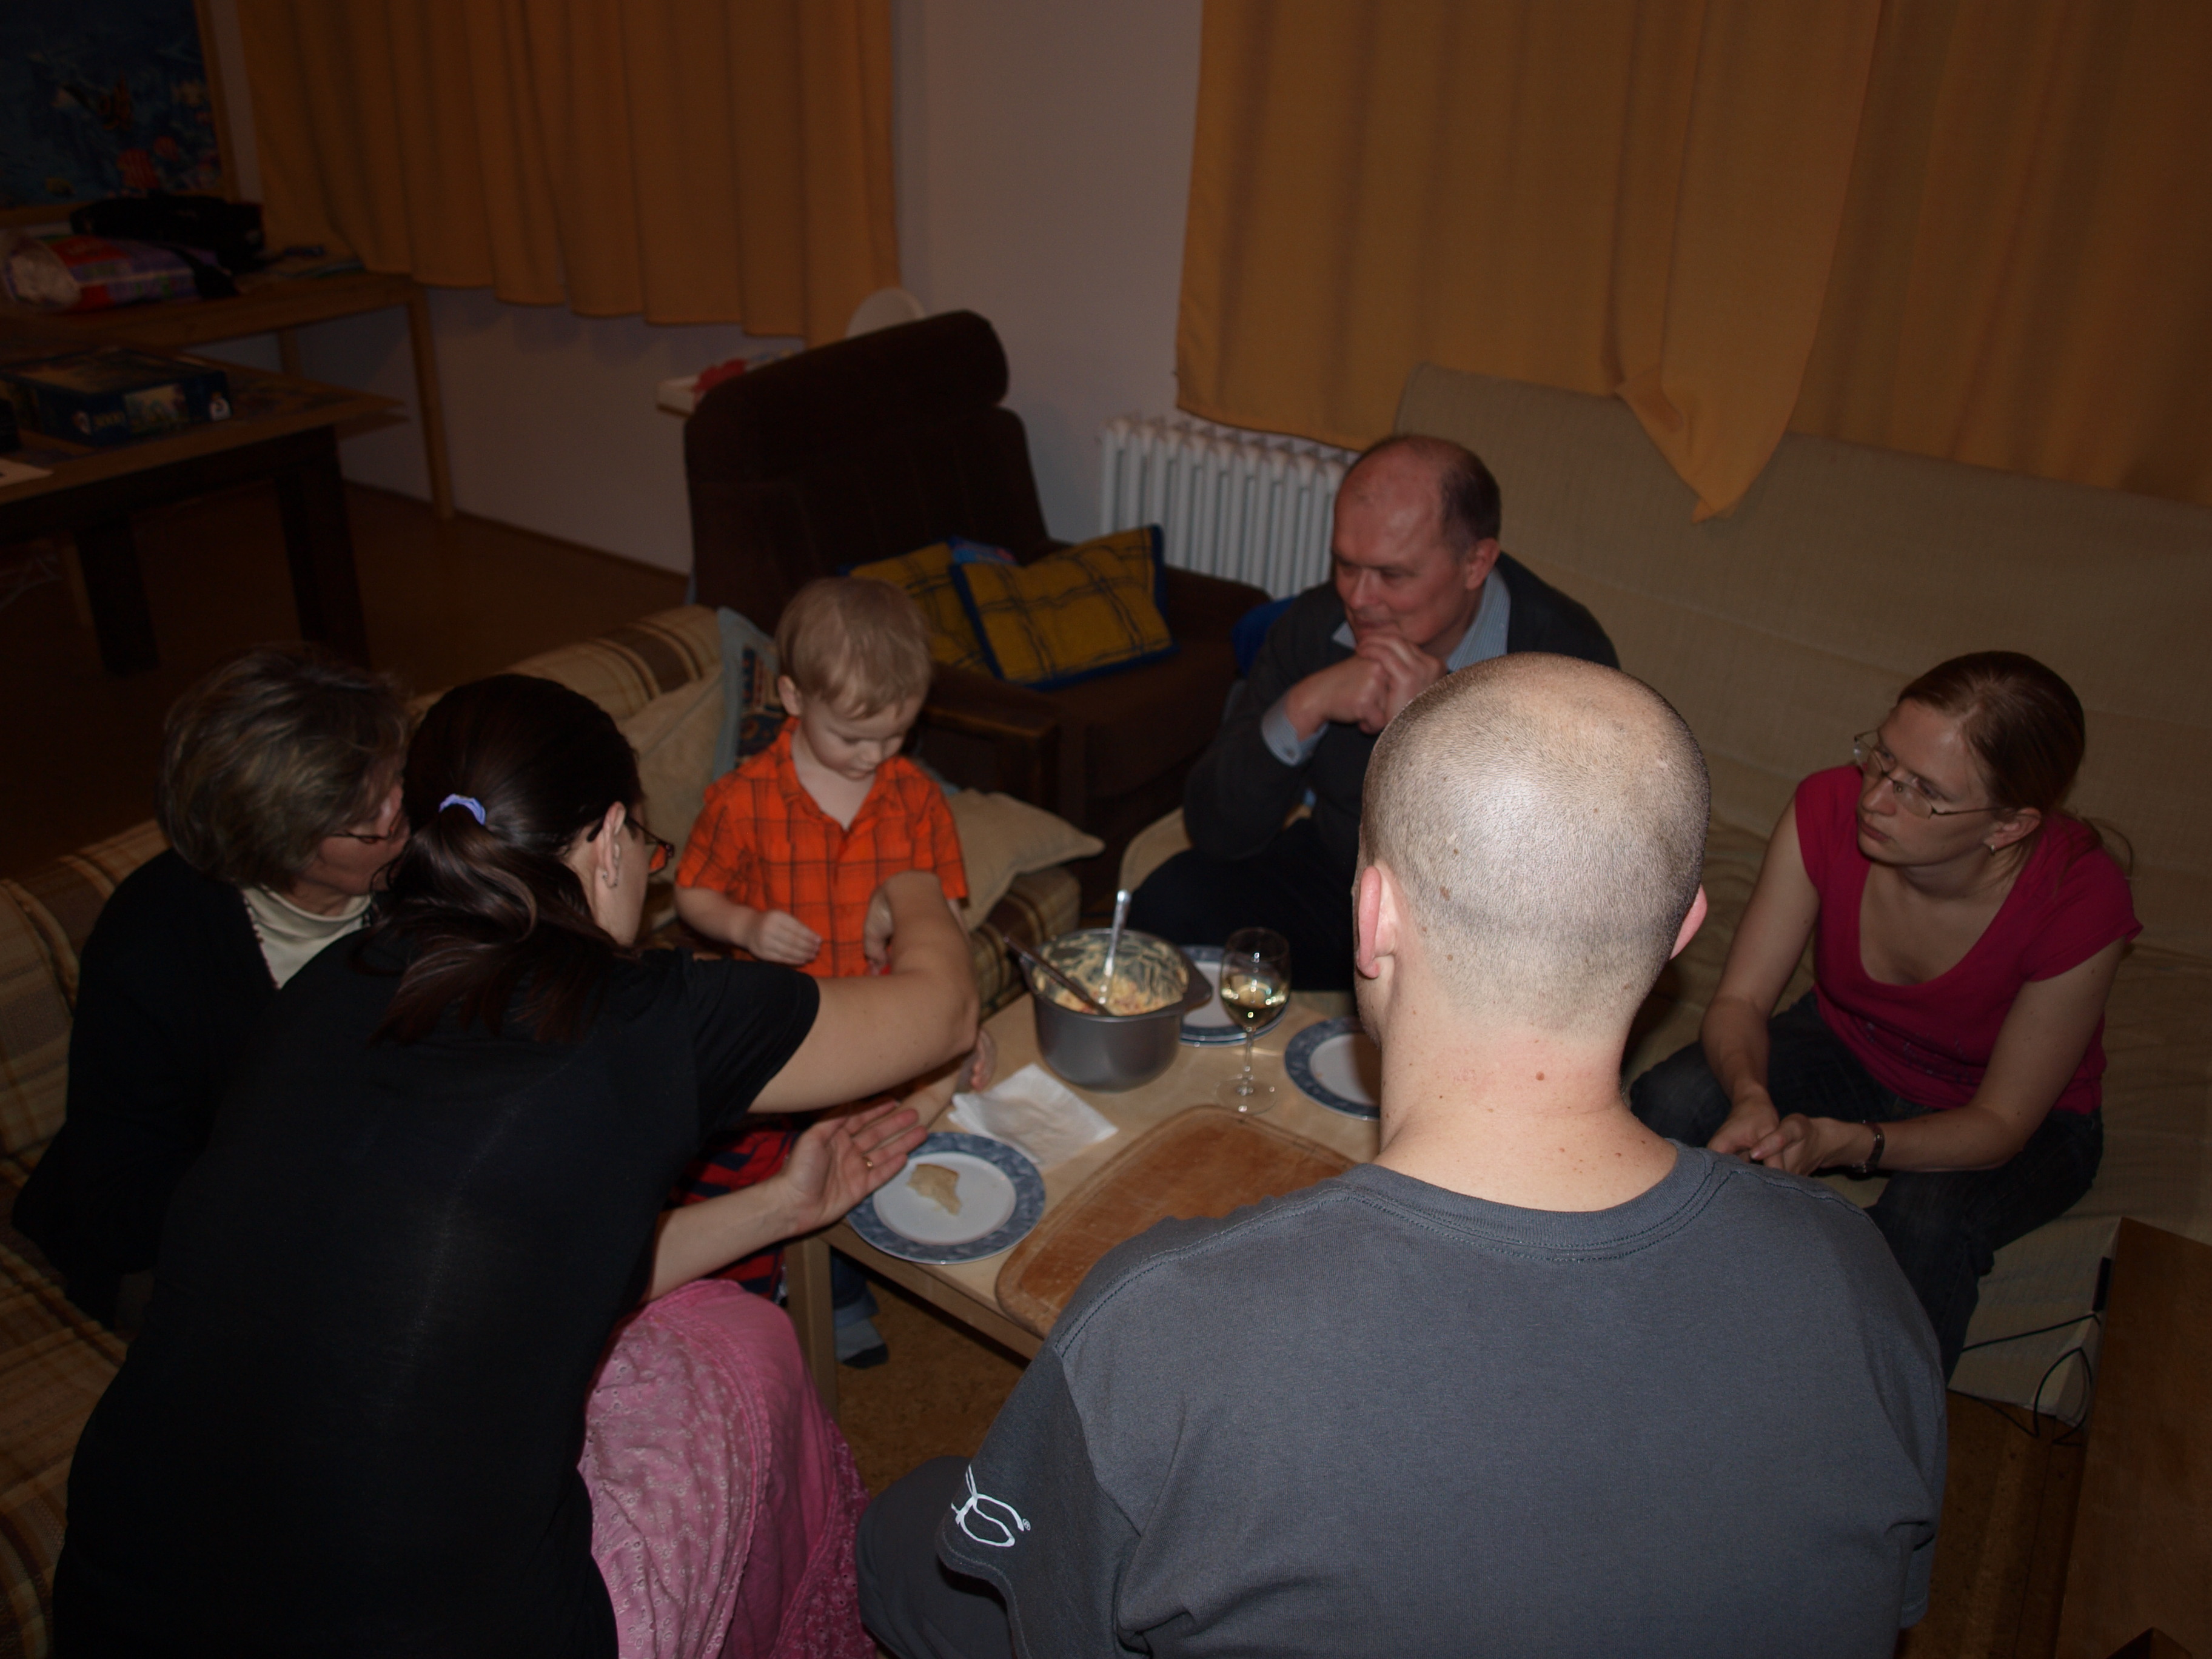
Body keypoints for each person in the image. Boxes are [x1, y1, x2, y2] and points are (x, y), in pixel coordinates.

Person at [859, 655, 1946, 1658]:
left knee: (906, 1532)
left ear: (1372, 915)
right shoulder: (1857, 1278)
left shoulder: (1157, 1326)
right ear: (1681, 930)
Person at [53, 672, 980, 1657]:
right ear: (609, 839)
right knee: (751, 1351)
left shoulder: (326, 985)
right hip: (425, 1631)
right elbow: (945, 1011)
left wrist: (780, 1206)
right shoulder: (646, 1021)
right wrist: (910, 879)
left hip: (121, 1599)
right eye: (647, 848)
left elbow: (518, 1269)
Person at [1631, 651, 2139, 1379]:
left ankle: (1878, 1430)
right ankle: (1638, 1329)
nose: (1876, 799)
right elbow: (1740, 1001)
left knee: (1928, 1221)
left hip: (2011, 1113)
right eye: (1883, 758)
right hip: (1851, 1042)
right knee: (1672, 1099)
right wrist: (1751, 1093)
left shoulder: (2080, 900)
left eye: (1924, 791)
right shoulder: (1826, 806)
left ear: (2008, 826)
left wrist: (1847, 1143)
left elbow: (2001, 1125)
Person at [1130, 434, 1617, 988]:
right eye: (1345, 565)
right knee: (1169, 904)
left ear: (1475, 563)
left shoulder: (1567, 665)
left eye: (1392, 575)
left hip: (1478, 925)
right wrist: (1304, 706)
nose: (1358, 600)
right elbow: (1216, 829)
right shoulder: (1318, 624)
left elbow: (1557, 883)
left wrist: (1437, 735)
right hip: (1343, 873)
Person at [13, 646, 410, 1327]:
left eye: (397, 778)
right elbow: (122, 1204)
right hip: (191, 1239)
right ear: (279, 840)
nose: (399, 814)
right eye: (364, 812)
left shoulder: (418, 867)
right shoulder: (152, 947)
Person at [672, 577, 982, 1361]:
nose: (875, 757)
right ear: (793, 697)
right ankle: (784, 1292)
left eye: (896, 735)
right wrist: (745, 924)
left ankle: (842, 1284)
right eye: (853, 737)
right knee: (776, 1168)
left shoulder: (917, 800)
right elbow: (692, 894)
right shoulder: (741, 800)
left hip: (884, 1027)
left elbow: (947, 917)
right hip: (785, 1040)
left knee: (868, 1150)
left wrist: (962, 1019)